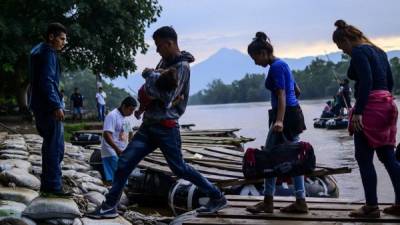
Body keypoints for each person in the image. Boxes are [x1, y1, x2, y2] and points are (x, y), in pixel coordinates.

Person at [87, 26, 227, 219]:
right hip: (148, 126)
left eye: (159, 45)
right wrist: (154, 80)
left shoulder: (182, 67)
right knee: (124, 162)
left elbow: (166, 96)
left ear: (169, 43)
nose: (157, 50)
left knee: (179, 168)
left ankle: (216, 195)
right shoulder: (165, 61)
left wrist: (150, 75)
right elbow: (151, 90)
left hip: (167, 128)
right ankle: (110, 206)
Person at [333, 19, 400, 218]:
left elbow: (367, 81)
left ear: (346, 39)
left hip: (370, 107)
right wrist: (383, 101)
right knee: (388, 157)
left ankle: (371, 206)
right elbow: (390, 82)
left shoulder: (360, 52)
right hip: (387, 104)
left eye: (341, 46)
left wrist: (359, 112)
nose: (343, 51)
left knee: (363, 157)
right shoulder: (379, 51)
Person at [245, 32, 308, 214]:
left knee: (269, 157)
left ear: (264, 52)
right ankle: (299, 201)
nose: (255, 62)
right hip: (292, 113)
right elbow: (297, 91)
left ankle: (268, 201)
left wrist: (279, 120)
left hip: (284, 117)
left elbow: (281, 94)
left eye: (255, 57)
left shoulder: (275, 67)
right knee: (295, 158)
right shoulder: (283, 64)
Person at [28, 22, 69, 197]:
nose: (64, 42)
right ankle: (52, 186)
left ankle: (49, 183)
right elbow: (47, 81)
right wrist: (56, 105)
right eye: (61, 38)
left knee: (52, 145)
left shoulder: (38, 50)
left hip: (39, 105)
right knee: (55, 147)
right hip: (48, 107)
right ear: (51, 37)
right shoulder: (48, 52)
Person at [101, 97, 137, 184]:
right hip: (111, 150)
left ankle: (119, 190)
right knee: (120, 176)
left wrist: (133, 148)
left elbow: (130, 133)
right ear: (124, 106)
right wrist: (116, 149)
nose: (132, 113)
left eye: (133, 111)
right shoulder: (112, 115)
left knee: (121, 176)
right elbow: (106, 134)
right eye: (130, 110)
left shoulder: (125, 118)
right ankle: (116, 192)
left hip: (122, 151)